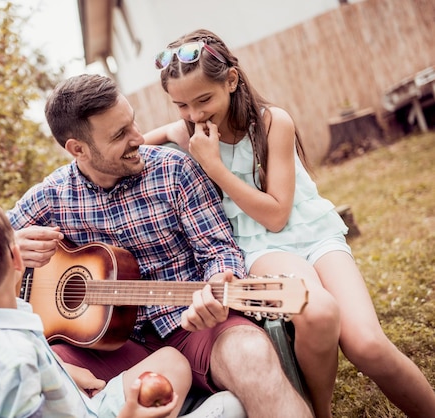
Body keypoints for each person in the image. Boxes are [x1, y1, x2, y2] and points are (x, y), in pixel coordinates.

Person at [143, 28, 435, 418]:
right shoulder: (186, 132)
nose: (194, 115)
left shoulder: (271, 122)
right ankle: (320, 410)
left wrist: (213, 165)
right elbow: (133, 147)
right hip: (261, 248)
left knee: (368, 345)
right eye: (181, 105)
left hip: (312, 234)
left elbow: (278, 214)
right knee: (316, 312)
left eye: (203, 100)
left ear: (231, 80)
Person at [5, 73, 312, 418]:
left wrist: (219, 282)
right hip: (105, 347)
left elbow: (218, 250)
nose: (138, 137)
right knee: (30, 374)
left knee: (251, 353)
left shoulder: (175, 171)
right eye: (120, 134)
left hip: (195, 328)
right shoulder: (53, 195)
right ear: (78, 149)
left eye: (132, 123)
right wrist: (9, 245)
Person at [0, 192, 193, 418]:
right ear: (17, 259)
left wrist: (63, 378)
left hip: (80, 406)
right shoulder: (16, 363)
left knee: (173, 361)